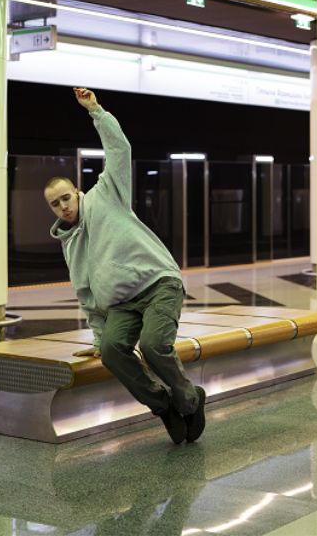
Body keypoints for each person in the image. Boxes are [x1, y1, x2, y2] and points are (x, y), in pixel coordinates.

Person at [44, 87, 206, 444]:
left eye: (66, 198)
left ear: (77, 192)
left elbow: (120, 149)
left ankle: (190, 399)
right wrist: (100, 338)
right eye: (55, 204)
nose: (63, 207)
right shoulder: (70, 245)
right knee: (112, 353)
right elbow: (86, 293)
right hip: (121, 305)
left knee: (152, 345)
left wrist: (96, 111)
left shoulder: (107, 194)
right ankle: (163, 406)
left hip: (158, 285)